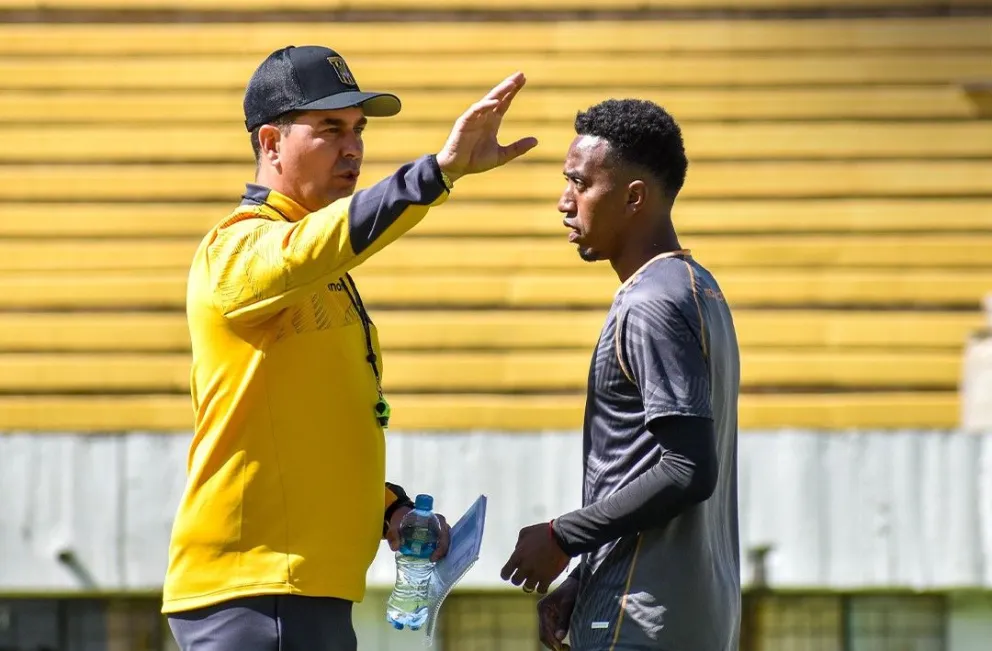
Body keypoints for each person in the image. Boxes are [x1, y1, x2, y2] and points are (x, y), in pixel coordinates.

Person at [161, 44, 538, 651]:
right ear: (270, 141)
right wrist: (437, 172)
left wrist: (389, 512)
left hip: (298, 593)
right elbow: (324, 242)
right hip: (258, 594)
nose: (354, 147)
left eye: (358, 130)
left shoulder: (317, 265)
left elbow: (314, 426)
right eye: (330, 128)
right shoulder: (237, 249)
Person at [500, 99, 741, 651]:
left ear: (634, 197)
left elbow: (687, 469)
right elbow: (649, 463)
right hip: (685, 613)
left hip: (640, 622)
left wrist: (563, 536)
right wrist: (586, 576)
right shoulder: (699, 289)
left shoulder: (651, 303)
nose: (565, 202)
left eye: (580, 184)